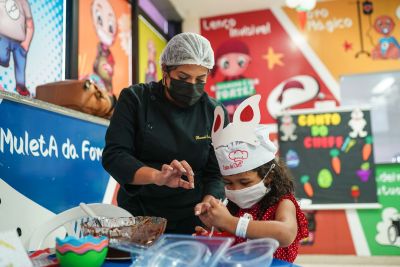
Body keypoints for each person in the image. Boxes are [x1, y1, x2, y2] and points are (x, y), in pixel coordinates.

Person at [102, 32, 227, 234]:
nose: (192, 86)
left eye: (200, 79)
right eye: (183, 78)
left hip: (193, 220)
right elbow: (114, 156)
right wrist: (157, 176)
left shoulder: (214, 112)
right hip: (140, 217)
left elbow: (217, 173)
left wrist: (208, 203)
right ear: (165, 71)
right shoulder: (135, 99)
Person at [194, 94, 308, 263]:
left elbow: (285, 234)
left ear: (269, 177)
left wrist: (230, 222)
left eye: (245, 182)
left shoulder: (283, 203)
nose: (237, 190)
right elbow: (233, 241)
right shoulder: (234, 208)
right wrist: (212, 233)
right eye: (228, 183)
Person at [0, 0, 34, 96]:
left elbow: (29, 23)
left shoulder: (23, 3)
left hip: (19, 42)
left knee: (20, 63)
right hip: (3, 38)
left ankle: (21, 87)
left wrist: (27, 42)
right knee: (2, 57)